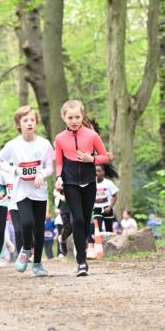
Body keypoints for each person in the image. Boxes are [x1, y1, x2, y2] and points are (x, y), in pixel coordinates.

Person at [54, 99, 112, 276]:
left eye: (77, 117)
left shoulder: (92, 136)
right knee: (76, 220)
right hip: (70, 183)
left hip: (89, 182)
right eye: (70, 117)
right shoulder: (60, 138)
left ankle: (83, 246)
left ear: (82, 116)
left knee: (85, 221)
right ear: (64, 117)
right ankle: (82, 261)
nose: (74, 120)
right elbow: (59, 162)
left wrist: (91, 159)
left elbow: (106, 157)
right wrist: (58, 178)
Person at [0, 105, 53, 277]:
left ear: (36, 123)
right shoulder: (13, 145)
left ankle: (37, 264)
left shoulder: (44, 144)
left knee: (39, 229)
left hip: (39, 191)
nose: (29, 123)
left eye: (32, 120)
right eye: (25, 120)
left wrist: (41, 174)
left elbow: (50, 167)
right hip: (21, 191)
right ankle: (26, 249)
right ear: (19, 124)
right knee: (26, 223)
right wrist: (14, 170)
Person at [92, 163, 119, 233]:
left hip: (107, 209)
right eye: (95, 171)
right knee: (98, 229)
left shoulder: (108, 183)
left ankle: (109, 243)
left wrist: (109, 207)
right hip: (97, 209)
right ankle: (99, 243)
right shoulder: (91, 183)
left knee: (109, 230)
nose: (96, 173)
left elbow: (115, 196)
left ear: (103, 172)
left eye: (99, 171)